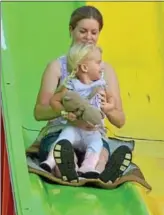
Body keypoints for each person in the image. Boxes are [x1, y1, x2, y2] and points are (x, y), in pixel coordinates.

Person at [33, 5, 131, 184]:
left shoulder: (104, 71)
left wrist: (106, 109)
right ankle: (69, 168)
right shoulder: (57, 67)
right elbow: (39, 112)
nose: (88, 37)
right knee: (61, 152)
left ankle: (102, 171)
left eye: (94, 32)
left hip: (93, 132)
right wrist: (66, 111)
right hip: (61, 131)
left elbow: (120, 119)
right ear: (71, 30)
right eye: (83, 31)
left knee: (100, 154)